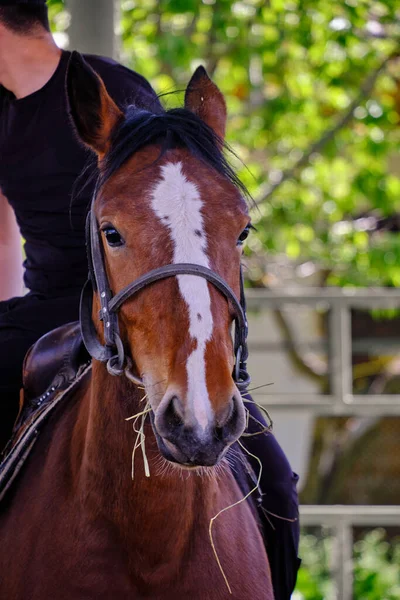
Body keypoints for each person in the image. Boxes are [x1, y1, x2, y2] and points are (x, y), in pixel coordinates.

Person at [0, 1, 300, 597]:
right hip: (40, 308)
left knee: (277, 479)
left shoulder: (107, 88)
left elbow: (171, 206)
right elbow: (4, 231)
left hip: (131, 300)